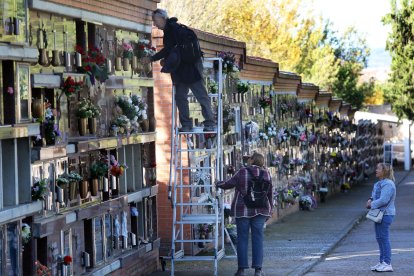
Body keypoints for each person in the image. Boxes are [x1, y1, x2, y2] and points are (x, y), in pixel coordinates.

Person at [141, 9, 215, 132]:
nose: (154, 24)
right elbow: (172, 50)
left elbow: (168, 50)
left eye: (155, 21)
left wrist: (152, 58)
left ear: (162, 18)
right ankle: (197, 124)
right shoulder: (173, 29)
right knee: (183, 97)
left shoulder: (172, 30)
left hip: (188, 68)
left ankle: (202, 123)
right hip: (185, 68)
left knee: (195, 96)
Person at [217, 153, 273, 276]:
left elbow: (228, 184)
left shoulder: (242, 171)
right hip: (261, 210)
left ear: (252, 160)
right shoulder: (267, 174)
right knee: (258, 238)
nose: (248, 160)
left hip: (242, 209)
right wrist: (270, 210)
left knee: (242, 238)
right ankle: (258, 270)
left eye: (249, 158)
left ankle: (241, 270)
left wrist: (217, 183)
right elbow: (269, 193)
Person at [366, 163, 396, 272]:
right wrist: (370, 199)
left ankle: (387, 263)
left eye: (378, 168)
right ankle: (382, 261)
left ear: (384, 171)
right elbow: (374, 195)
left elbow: (384, 200)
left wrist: (371, 204)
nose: (376, 170)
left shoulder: (388, 184)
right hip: (379, 213)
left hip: (386, 214)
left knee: (384, 238)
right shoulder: (379, 183)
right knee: (380, 238)